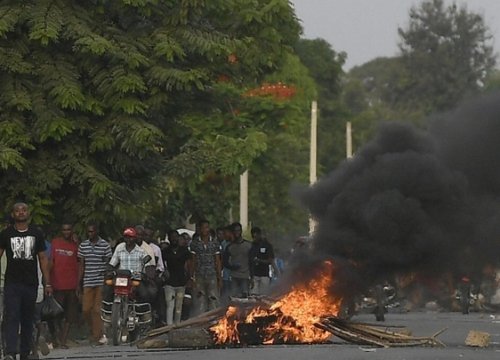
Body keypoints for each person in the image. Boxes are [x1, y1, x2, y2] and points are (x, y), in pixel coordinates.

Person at [0, 203, 52, 360]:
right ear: (13, 214)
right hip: (12, 283)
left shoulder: (36, 233)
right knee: (12, 316)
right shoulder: (6, 234)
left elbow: (43, 258)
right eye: (17, 210)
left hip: (31, 283)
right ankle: (10, 352)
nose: (21, 213)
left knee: (27, 318)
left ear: (28, 213)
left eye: (23, 210)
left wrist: (47, 282)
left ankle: (25, 352)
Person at [78, 223, 112, 346]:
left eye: (92, 231)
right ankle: (95, 331)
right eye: (88, 232)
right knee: (86, 309)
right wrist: (78, 283)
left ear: (97, 231)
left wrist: (106, 279)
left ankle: (97, 336)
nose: (90, 234)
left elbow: (109, 263)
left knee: (97, 310)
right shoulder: (83, 245)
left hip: (100, 281)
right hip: (88, 280)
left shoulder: (105, 245)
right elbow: (81, 265)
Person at [49, 222, 79, 348]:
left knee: (69, 315)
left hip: (72, 285)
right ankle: (55, 338)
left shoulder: (76, 245)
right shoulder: (55, 243)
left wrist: (79, 285)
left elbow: (80, 264)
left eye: (68, 229)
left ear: (72, 230)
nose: (66, 232)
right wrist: (48, 282)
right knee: (55, 314)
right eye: (64, 230)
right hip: (57, 285)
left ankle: (63, 340)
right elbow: (51, 262)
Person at [190, 219, 222, 315]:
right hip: (199, 275)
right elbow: (193, 261)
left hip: (212, 275)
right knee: (200, 299)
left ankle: (213, 322)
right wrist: (192, 277)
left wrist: (219, 277)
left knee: (213, 298)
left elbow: (217, 261)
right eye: (204, 227)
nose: (206, 230)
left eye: (207, 227)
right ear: (199, 229)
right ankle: (201, 322)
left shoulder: (215, 243)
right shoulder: (194, 244)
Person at [163, 231, 193, 325]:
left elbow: (190, 264)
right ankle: (169, 326)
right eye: (172, 237)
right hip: (169, 283)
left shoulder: (184, 251)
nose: (174, 239)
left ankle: (177, 325)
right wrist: (165, 271)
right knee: (170, 306)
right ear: (169, 238)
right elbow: (162, 264)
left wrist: (189, 278)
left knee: (179, 307)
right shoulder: (165, 251)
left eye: (176, 237)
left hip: (181, 282)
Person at [224, 222, 252, 298]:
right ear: (232, 232)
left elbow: (252, 262)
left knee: (245, 298)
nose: (237, 233)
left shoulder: (248, 245)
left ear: (241, 231)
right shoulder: (229, 247)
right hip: (234, 276)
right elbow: (225, 262)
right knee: (234, 298)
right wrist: (232, 267)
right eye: (235, 231)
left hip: (245, 276)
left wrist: (251, 277)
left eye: (238, 230)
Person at [249, 227, 277, 295]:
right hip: (254, 275)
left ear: (259, 235)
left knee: (264, 295)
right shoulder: (251, 246)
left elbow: (270, 260)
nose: (254, 238)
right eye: (253, 236)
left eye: (256, 236)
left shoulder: (267, 245)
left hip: (264, 275)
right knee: (253, 295)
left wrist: (260, 261)